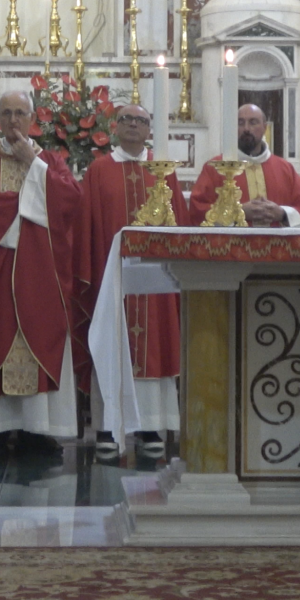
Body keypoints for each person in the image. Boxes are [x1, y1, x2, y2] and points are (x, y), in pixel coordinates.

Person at [0, 90, 83, 460]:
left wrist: (34, 164)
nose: (13, 120)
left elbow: (70, 200)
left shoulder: (50, 161)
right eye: (6, 113)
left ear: (32, 119)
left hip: (40, 272)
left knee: (41, 337)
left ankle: (37, 429)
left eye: (20, 113)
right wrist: (34, 206)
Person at [77, 104, 187, 457]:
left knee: (156, 348)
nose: (134, 125)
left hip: (157, 283)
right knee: (112, 345)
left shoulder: (164, 172)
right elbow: (86, 224)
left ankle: (152, 426)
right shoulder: (99, 170)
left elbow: (180, 224)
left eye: (141, 120)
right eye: (127, 119)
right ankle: (108, 428)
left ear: (149, 129)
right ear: (115, 126)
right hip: (112, 276)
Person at [190, 103, 300, 227]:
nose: (246, 129)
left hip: (275, 239)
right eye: (240, 123)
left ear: (265, 127)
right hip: (232, 240)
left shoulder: (285, 169)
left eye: (253, 122)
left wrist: (282, 213)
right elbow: (198, 208)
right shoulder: (215, 167)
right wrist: (237, 213)